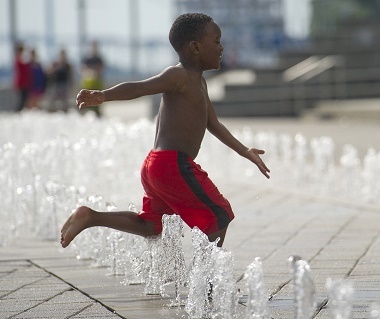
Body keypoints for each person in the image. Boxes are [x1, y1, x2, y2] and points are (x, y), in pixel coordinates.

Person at [60, 13, 271, 249]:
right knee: (219, 214)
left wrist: (245, 151)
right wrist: (104, 95)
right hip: (172, 165)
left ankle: (91, 216)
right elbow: (140, 88)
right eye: (217, 41)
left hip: (157, 165)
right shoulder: (178, 76)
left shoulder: (199, 82)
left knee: (151, 225)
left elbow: (214, 124)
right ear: (196, 47)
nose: (221, 47)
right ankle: (209, 284)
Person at [80, 40, 105, 117]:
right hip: (88, 82)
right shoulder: (87, 58)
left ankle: (97, 113)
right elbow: (83, 68)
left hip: (97, 82)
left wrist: (95, 71)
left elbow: (101, 68)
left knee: (97, 98)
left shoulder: (99, 58)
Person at [13, 43, 31, 112]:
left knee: (24, 98)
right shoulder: (19, 58)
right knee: (22, 98)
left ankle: (20, 110)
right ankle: (18, 111)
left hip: (23, 81)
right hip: (22, 82)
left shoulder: (19, 58)